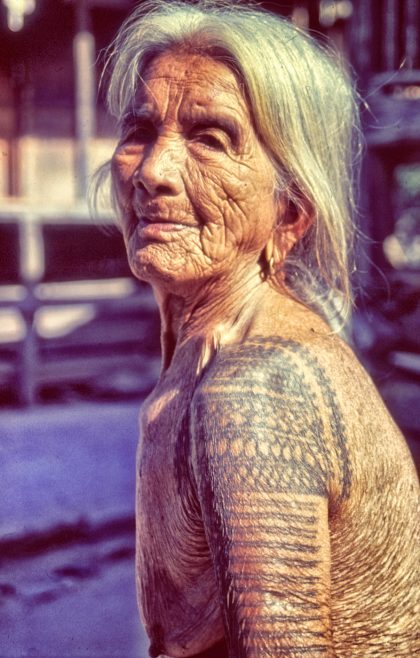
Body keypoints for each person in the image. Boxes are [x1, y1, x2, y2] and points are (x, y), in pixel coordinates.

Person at [100, 1, 419, 656]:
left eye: (210, 139)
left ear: (290, 212)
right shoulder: (207, 358)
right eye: (140, 132)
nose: (153, 173)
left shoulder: (255, 388)